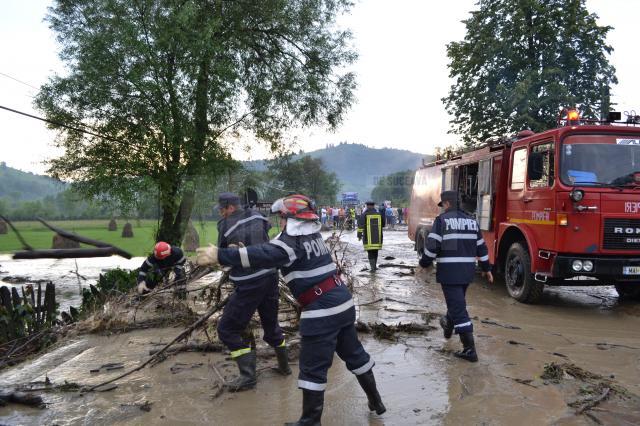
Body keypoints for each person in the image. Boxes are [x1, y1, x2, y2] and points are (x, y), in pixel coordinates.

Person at [196, 194, 385, 424]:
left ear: (290, 219)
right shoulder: (313, 235)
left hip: (321, 311)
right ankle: (376, 401)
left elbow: (266, 254)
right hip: (342, 303)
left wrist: (220, 254)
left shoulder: (289, 244)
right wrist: (243, 251)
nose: (280, 224)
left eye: (282, 219)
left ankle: (310, 421)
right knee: (355, 355)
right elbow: (268, 251)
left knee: (313, 368)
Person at [214, 192, 291, 392]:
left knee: (227, 330)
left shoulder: (224, 225)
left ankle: (248, 377)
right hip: (271, 277)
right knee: (271, 326)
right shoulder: (259, 216)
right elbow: (266, 235)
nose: (221, 213)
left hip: (249, 283)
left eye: (222, 209)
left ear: (230, 207)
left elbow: (222, 255)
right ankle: (285, 367)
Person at [417, 190, 493, 362]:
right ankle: (447, 324)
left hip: (449, 274)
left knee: (458, 309)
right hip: (467, 273)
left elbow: (433, 245)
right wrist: (487, 268)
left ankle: (469, 350)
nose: (442, 208)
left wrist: (423, 263)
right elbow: (481, 247)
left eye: (443, 205)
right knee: (457, 302)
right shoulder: (472, 221)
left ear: (447, 204)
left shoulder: (442, 221)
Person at [358, 201, 384, 272]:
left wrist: (359, 235)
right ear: (374, 206)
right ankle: (374, 267)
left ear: (367, 206)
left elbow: (360, 226)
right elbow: (383, 224)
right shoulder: (379, 214)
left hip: (368, 238)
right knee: (375, 252)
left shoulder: (364, 215)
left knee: (370, 253)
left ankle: (372, 268)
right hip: (378, 238)